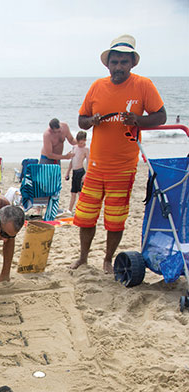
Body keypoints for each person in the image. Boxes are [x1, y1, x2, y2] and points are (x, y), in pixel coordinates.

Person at [71, 35, 166, 273]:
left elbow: (161, 116)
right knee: (86, 215)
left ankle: (108, 259)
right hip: (95, 166)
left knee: (115, 219)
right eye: (115, 62)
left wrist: (138, 120)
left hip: (124, 166)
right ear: (108, 64)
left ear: (132, 63)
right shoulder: (97, 86)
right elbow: (81, 121)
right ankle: (83, 258)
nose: (119, 67)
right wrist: (90, 121)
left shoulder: (143, 85)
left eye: (124, 62)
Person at [65, 131, 90, 213]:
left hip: (80, 172)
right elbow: (72, 161)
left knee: (80, 192)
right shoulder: (75, 147)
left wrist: (86, 174)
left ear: (85, 140)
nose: (80, 145)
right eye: (79, 143)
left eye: (82, 143)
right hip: (74, 172)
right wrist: (68, 172)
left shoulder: (86, 149)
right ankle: (70, 210)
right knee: (73, 192)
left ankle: (82, 209)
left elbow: (88, 162)